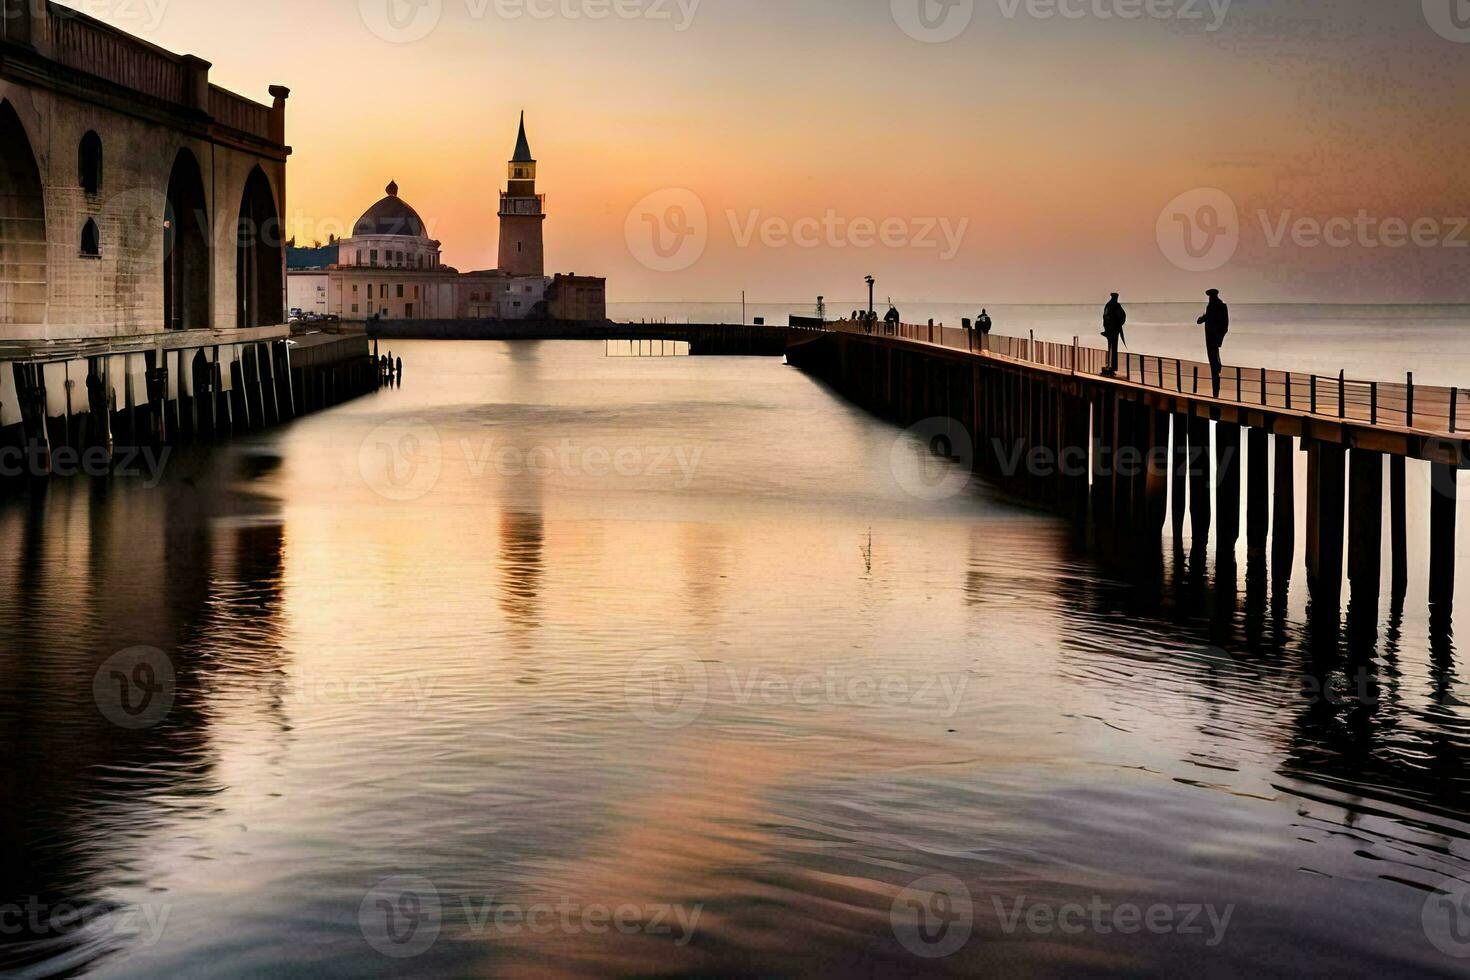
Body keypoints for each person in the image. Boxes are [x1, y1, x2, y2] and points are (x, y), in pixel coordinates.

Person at [1197, 288, 1229, 397]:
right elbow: (1225, 325)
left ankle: (1216, 391)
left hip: (1212, 337)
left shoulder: (1215, 307)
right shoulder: (1219, 306)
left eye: (1210, 296)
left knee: (1213, 359)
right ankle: (1216, 389)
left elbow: (1209, 318)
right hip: (1213, 336)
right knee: (1214, 358)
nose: (1209, 298)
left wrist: (1201, 319)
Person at [1102, 293, 1126, 376]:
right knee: (1113, 348)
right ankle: (1111, 366)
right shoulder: (1113, 305)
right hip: (1112, 330)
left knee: (1112, 348)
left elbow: (1105, 317)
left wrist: (1108, 326)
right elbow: (1106, 317)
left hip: (1113, 330)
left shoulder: (1112, 305)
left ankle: (1111, 366)